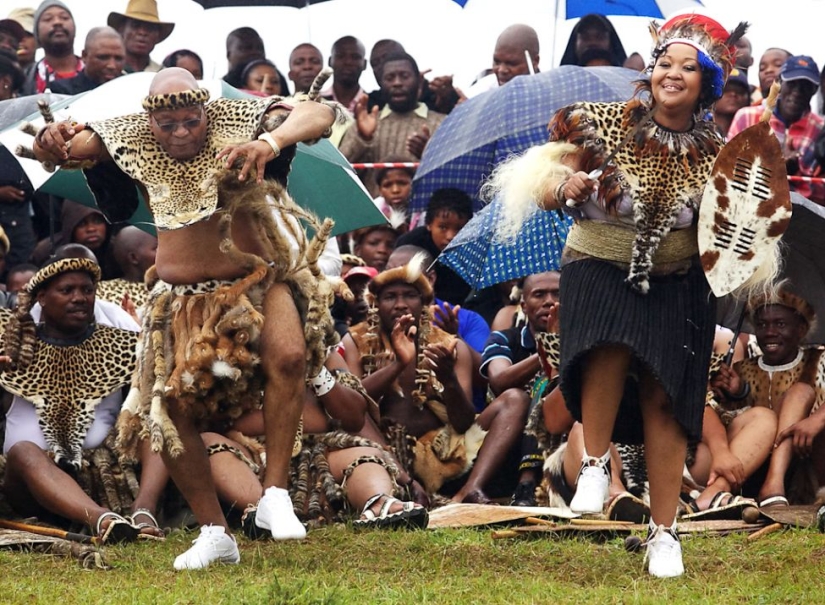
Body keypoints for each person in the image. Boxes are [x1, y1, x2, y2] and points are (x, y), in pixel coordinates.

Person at [486, 14, 773, 578]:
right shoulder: (602, 125)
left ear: (707, 84)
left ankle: (664, 533)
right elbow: (544, 182)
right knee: (611, 343)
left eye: (688, 67)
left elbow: (735, 235)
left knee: (666, 399)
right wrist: (562, 186)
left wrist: (748, 197)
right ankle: (593, 461)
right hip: (598, 265)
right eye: (665, 62)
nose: (672, 73)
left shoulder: (721, 154)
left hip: (676, 281)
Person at [32, 67, 343, 569]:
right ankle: (215, 532)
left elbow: (322, 112)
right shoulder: (127, 133)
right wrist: (53, 140)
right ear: (150, 119)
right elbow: (73, 148)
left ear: (205, 109)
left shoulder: (236, 118)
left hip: (256, 282)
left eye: (190, 121)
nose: (180, 133)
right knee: (170, 414)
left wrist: (270, 142)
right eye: (168, 124)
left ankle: (276, 495)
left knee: (288, 358)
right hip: (181, 301)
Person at [1, 257, 165, 542]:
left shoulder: (122, 345)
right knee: (23, 451)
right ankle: (102, 520)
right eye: (67, 291)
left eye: (87, 290)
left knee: (160, 421)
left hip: (108, 474)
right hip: (32, 481)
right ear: (42, 297)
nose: (79, 298)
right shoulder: (11, 347)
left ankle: (143, 510)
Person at [202, 349, 428, 532]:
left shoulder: (326, 353)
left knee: (365, 455)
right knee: (210, 443)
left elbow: (354, 417)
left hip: (321, 455)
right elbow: (210, 417)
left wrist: (316, 370)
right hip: (253, 454)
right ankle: (263, 512)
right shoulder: (224, 350)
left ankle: (378, 504)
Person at [341, 253, 482, 499]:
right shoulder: (355, 341)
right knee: (354, 417)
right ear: (375, 304)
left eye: (410, 295)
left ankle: (469, 490)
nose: (400, 304)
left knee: (512, 402)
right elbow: (350, 410)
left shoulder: (450, 345)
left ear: (424, 302)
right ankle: (404, 482)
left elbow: (462, 424)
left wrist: (448, 379)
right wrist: (397, 365)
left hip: (443, 450)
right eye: (390, 297)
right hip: (381, 449)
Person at [711, 287, 825, 507]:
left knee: (800, 392)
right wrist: (734, 393)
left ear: (801, 329)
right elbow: (742, 424)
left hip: (811, 460)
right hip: (756, 468)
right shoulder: (742, 369)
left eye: (780, 324)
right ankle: (768, 488)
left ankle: (777, 484)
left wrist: (815, 420)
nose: (770, 332)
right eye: (762, 325)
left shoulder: (819, 359)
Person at [480, 271, 560, 505]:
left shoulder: (581, 339)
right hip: (506, 446)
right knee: (540, 385)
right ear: (524, 306)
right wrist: (549, 347)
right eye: (539, 294)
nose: (548, 300)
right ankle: (527, 482)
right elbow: (499, 380)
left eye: (557, 293)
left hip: (561, 439)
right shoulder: (504, 339)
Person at [340, 51, 446, 197]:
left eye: (404, 76)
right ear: (380, 84)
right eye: (390, 78)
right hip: (374, 217)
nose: (397, 83)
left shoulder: (442, 124)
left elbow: (452, 178)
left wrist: (429, 155)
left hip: (422, 216)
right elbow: (338, 173)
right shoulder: (365, 123)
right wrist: (362, 139)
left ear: (419, 81)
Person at [728, 55, 824, 204]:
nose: (797, 92)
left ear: (814, 90)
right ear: (779, 82)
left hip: (799, 220)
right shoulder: (747, 117)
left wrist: (797, 171)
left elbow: (820, 193)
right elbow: (727, 169)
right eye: (792, 84)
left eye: (805, 86)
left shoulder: (820, 129)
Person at [395, 187, 472, 305]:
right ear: (429, 224)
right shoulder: (410, 244)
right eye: (443, 227)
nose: (451, 236)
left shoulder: (474, 252)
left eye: (459, 229)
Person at [465, 24, 540, 99]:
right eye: (497, 62)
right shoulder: (482, 90)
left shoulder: (546, 97)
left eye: (511, 63)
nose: (501, 70)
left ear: (535, 62)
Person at [23, 0, 81, 94]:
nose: (57, 22)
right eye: (48, 19)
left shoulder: (95, 71)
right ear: (37, 33)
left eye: (64, 17)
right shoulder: (23, 79)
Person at [97, 225, 157, 311]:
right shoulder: (102, 292)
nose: (163, 252)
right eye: (156, 248)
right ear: (133, 257)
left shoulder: (171, 288)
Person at [49, 27, 125, 95]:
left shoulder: (131, 91)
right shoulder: (61, 91)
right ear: (84, 56)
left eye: (118, 59)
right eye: (103, 57)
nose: (111, 65)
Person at [107, 0, 174, 74]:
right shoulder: (108, 71)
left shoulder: (164, 75)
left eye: (150, 28)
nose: (142, 33)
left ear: (157, 36)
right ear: (121, 30)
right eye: (135, 26)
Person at [559, 13, 627, 67]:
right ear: (574, 43)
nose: (592, 42)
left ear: (612, 43)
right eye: (585, 37)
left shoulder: (628, 80)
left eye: (600, 37)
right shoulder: (558, 81)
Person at [321, 36, 368, 113]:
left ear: (365, 64)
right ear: (330, 61)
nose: (348, 62)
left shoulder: (376, 105)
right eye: (340, 56)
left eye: (355, 57)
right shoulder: (316, 103)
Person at [713, 67, 751, 138]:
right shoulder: (696, 129)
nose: (733, 94)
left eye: (740, 91)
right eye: (726, 89)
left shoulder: (755, 131)